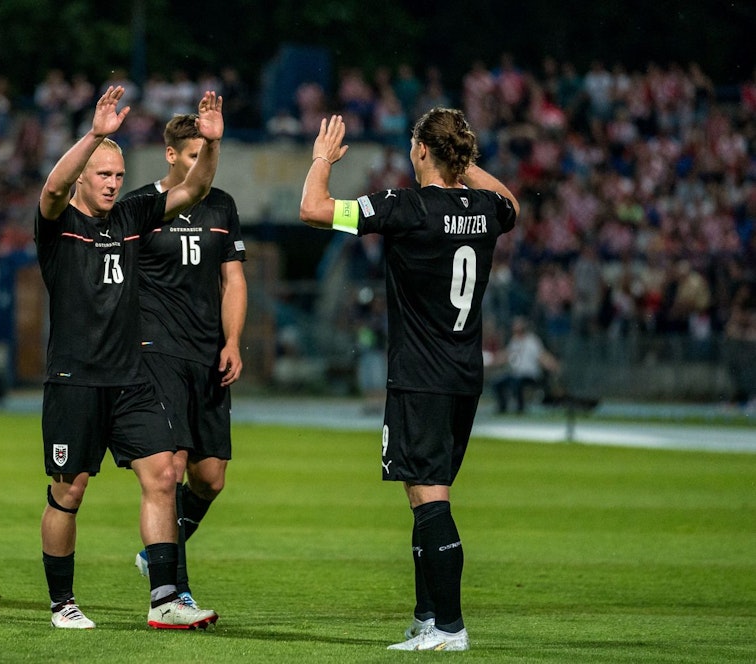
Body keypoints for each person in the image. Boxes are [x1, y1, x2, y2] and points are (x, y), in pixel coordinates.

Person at [299, 109, 519, 651]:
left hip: (421, 374)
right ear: (461, 158)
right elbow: (511, 201)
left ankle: (449, 627)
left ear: (421, 151)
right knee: (424, 493)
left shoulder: (405, 207)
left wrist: (321, 160)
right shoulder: (487, 209)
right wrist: (464, 166)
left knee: (429, 496)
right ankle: (427, 615)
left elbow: (313, 209)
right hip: (465, 374)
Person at [35, 85, 223, 630]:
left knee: (164, 475)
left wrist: (210, 144)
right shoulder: (57, 221)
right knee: (68, 492)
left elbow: (196, 189)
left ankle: (165, 598)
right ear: (83, 178)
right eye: (103, 175)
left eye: (119, 175)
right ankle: (61, 602)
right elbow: (51, 187)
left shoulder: (133, 213)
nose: (114, 184)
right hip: (74, 378)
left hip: (131, 376)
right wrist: (95, 134)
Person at [123, 113, 248, 609]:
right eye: (194, 156)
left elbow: (233, 280)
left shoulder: (222, 205)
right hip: (156, 351)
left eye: (208, 156)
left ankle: (156, 553)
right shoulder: (140, 207)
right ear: (171, 155)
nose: (203, 166)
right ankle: (175, 590)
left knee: (210, 478)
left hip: (207, 353)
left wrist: (233, 340)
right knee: (169, 470)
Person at [491, 315, 561, 414]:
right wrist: (494, 360)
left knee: (517, 383)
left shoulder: (532, 341)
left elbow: (541, 355)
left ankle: (520, 408)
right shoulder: (514, 341)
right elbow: (507, 355)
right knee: (498, 382)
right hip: (516, 374)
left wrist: (552, 365)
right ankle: (502, 407)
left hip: (530, 375)